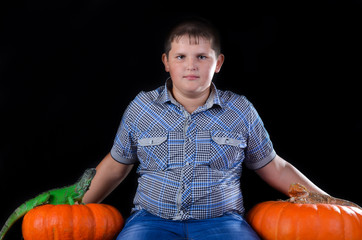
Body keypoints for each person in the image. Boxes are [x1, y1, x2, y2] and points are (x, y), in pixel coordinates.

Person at [83, 18, 328, 239]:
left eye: (202, 56)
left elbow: (274, 166)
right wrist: (74, 208)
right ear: (166, 62)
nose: (191, 65)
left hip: (222, 222)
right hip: (151, 221)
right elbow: (116, 166)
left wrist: (326, 201)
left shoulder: (240, 110)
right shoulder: (142, 108)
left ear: (218, 63)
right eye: (181, 57)